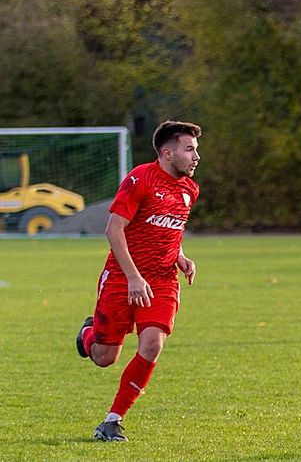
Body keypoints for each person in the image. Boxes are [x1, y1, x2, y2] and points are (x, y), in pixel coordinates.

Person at [74, 120, 202, 441]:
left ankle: (112, 420)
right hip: (122, 278)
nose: (196, 156)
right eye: (189, 149)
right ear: (167, 153)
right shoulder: (140, 179)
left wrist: (180, 256)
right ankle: (88, 333)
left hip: (161, 281)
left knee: (153, 344)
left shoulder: (190, 189)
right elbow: (113, 229)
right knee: (104, 358)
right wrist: (133, 276)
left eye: (196, 150)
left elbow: (169, 229)